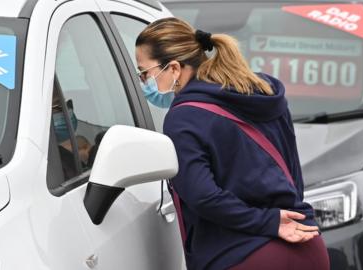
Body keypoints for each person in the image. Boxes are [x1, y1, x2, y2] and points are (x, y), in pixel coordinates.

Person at [135, 17, 330, 270]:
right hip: (307, 246)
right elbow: (292, 173)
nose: (144, 82)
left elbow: (203, 196)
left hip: (244, 256)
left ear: (173, 68)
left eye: (144, 73)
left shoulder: (183, 118)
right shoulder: (264, 91)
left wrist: (268, 222)